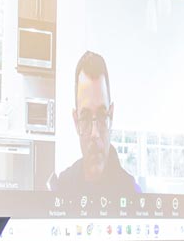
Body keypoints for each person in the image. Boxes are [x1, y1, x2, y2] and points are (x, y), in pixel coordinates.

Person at [48, 51, 141, 193]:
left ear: (111, 115)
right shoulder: (63, 187)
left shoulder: (132, 193)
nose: (95, 133)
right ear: (76, 122)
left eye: (102, 116)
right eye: (85, 118)